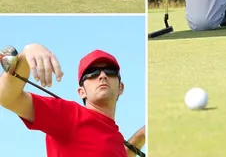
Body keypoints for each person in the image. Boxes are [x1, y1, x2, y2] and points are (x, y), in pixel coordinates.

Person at [0, 45, 145, 156]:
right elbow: (8, 98)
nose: (102, 75)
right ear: (81, 92)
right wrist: (27, 52)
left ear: (121, 88)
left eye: (110, 71)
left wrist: (141, 135)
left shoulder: (116, 138)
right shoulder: (69, 115)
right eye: (92, 73)